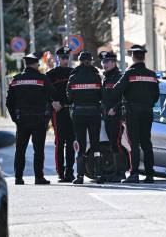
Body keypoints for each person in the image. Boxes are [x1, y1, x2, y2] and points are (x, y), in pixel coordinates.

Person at [6, 53, 60, 185]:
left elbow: (9, 102)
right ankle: (38, 177)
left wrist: (15, 118)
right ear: (35, 64)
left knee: (20, 150)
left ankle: (18, 178)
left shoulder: (16, 79)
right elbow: (54, 94)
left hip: (22, 120)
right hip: (39, 120)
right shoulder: (42, 79)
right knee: (38, 150)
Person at [111, 45, 160, 183]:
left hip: (132, 112)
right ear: (143, 57)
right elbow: (156, 95)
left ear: (133, 57)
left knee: (134, 144)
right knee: (146, 143)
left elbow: (116, 91)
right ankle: (150, 175)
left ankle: (134, 174)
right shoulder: (152, 74)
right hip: (147, 111)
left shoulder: (129, 73)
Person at [67, 51, 103, 184]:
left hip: (79, 114)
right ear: (91, 61)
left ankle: (80, 176)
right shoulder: (96, 76)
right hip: (94, 113)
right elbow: (101, 96)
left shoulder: (74, 76)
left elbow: (69, 97)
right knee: (96, 145)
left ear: (79, 61)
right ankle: (99, 175)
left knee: (80, 145)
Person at [46, 46, 75, 182]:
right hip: (58, 111)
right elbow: (45, 91)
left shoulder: (74, 73)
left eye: (67, 57)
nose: (65, 60)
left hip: (70, 110)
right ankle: (60, 172)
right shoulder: (51, 74)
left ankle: (70, 171)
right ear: (58, 58)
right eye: (63, 57)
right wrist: (52, 102)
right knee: (60, 142)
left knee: (71, 142)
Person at [99, 51, 124, 182]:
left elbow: (124, 97)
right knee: (112, 144)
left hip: (117, 117)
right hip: (107, 117)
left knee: (117, 144)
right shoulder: (105, 78)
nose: (104, 64)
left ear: (114, 62)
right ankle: (115, 171)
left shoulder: (119, 77)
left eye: (107, 61)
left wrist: (115, 108)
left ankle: (120, 173)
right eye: (103, 62)